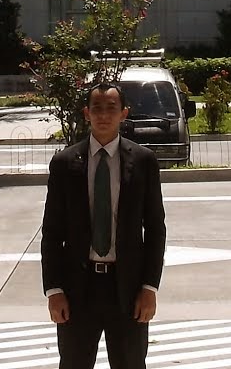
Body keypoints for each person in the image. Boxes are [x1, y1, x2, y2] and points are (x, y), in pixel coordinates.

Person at [42, 81, 166, 369]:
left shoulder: (144, 161)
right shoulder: (65, 163)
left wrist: (149, 287)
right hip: (77, 290)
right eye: (96, 108)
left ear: (124, 114)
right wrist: (54, 289)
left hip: (128, 289)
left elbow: (156, 229)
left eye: (111, 108)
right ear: (86, 113)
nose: (103, 115)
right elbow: (51, 232)